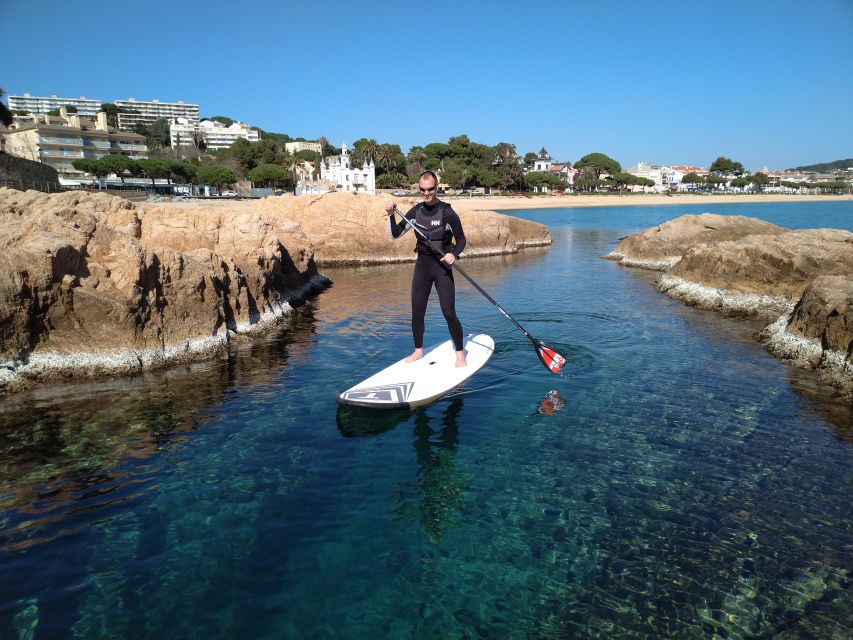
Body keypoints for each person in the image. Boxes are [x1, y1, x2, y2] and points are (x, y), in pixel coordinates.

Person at [385, 170, 467, 367]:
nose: (426, 193)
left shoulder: (447, 212)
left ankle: (460, 353)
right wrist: (390, 215)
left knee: (448, 312)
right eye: (422, 190)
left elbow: (462, 240)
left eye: (430, 189)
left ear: (436, 187)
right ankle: (418, 351)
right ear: (419, 189)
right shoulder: (415, 212)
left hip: (442, 267)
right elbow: (395, 234)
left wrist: (453, 254)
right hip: (422, 265)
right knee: (417, 311)